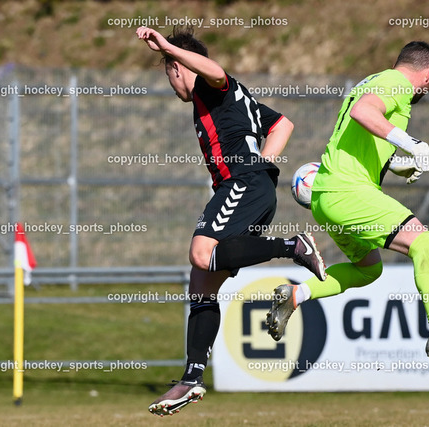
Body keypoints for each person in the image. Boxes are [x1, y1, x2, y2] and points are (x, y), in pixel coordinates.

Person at [135, 26, 326, 417]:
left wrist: (168, 46)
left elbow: (217, 71)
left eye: (169, 72)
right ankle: (191, 378)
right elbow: (283, 124)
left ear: (177, 67)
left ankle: (292, 246)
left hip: (241, 185)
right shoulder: (242, 101)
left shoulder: (211, 87)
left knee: (201, 251)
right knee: (202, 285)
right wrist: (265, 165)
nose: (173, 86)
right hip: (254, 187)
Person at [266, 41, 429, 363]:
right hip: (348, 192)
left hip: (327, 198)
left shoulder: (371, 81)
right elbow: (363, 113)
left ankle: (297, 294)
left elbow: (360, 138)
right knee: (427, 246)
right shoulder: (396, 82)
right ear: (428, 74)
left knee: (368, 270)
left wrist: (397, 163)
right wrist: (412, 144)